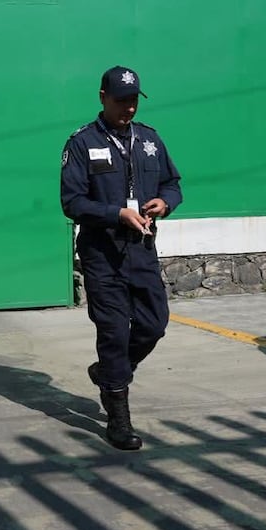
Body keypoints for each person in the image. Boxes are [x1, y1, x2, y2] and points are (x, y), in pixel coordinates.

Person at [60, 66, 182, 451]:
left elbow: (172, 183)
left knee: (154, 323)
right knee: (113, 331)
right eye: (121, 101)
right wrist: (116, 213)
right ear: (103, 97)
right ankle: (118, 418)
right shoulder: (82, 143)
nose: (128, 108)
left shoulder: (150, 139)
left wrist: (165, 202)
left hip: (141, 249)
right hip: (102, 254)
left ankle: (109, 372)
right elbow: (72, 202)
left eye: (133, 101)